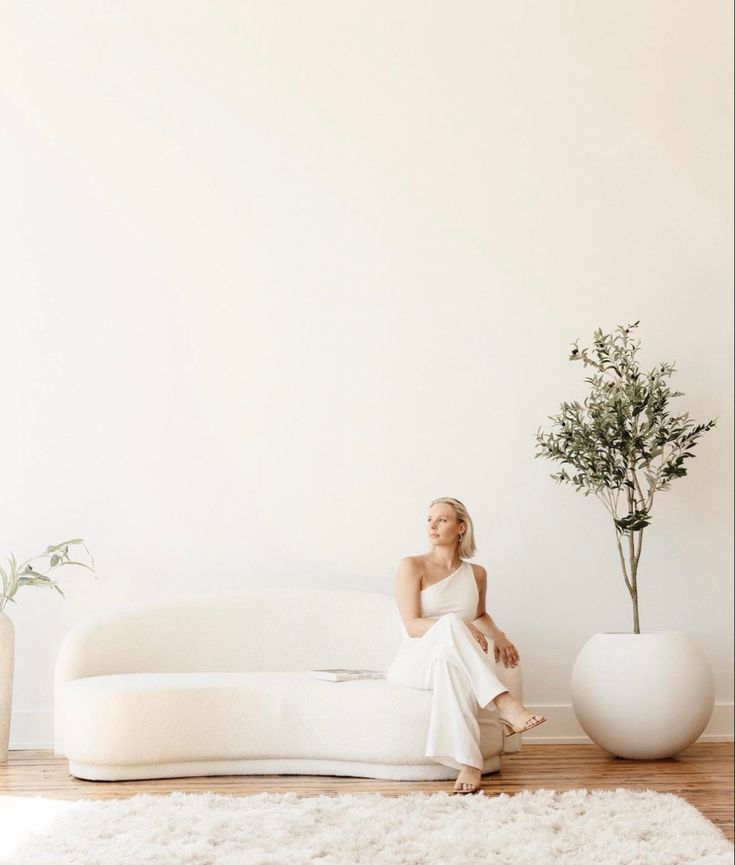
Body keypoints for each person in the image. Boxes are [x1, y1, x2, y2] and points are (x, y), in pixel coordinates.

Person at [385, 497, 547, 795]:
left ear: (461, 528)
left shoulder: (477, 573)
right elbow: (411, 624)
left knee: (450, 665)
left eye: (442, 520)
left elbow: (480, 614)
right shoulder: (412, 566)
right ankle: (506, 704)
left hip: (451, 658)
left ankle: (470, 765)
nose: (432, 525)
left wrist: (498, 636)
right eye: (429, 519)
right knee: (449, 624)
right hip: (415, 662)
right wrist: (456, 625)